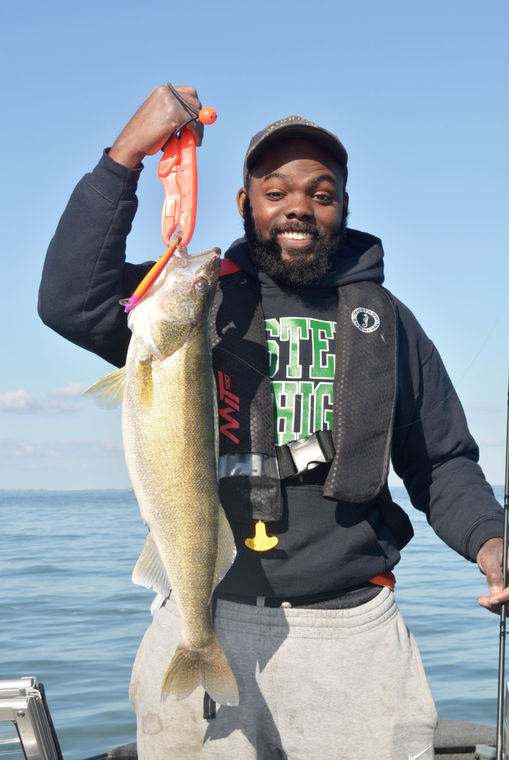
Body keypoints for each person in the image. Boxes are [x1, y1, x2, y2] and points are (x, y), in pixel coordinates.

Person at [38, 84, 507, 760]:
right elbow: (68, 300)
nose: (299, 207)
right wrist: (127, 155)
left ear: (343, 207)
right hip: (204, 612)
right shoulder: (192, 305)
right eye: (276, 190)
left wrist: (490, 540)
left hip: (352, 633)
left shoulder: (386, 323)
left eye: (322, 193)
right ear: (245, 203)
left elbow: (442, 461)